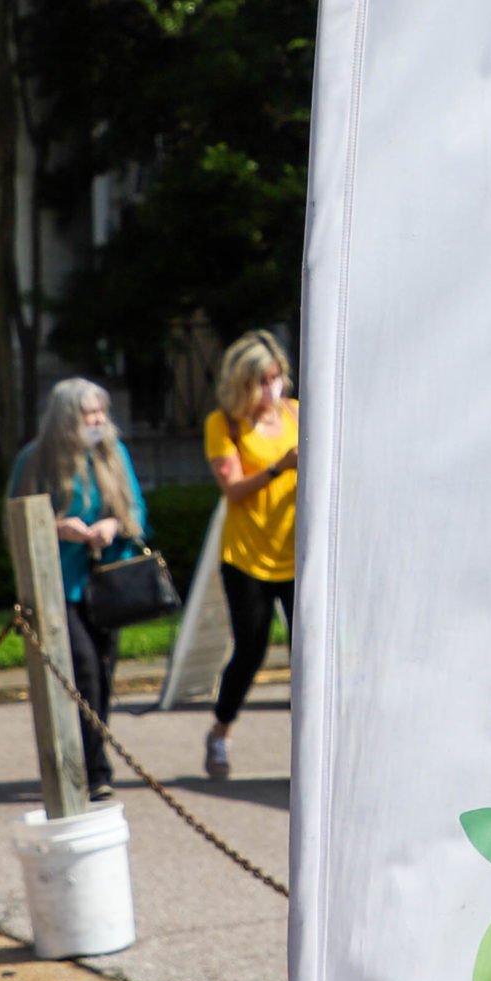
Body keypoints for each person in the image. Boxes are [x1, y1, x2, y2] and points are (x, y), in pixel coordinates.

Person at [7, 378, 149, 806]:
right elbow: (18, 520)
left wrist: (113, 525)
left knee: (102, 677)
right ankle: (96, 769)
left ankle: (89, 756)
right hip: (59, 588)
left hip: (107, 584)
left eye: (101, 412)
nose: (98, 421)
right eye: (90, 413)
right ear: (68, 418)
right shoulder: (35, 460)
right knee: (83, 670)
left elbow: (137, 510)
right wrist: (57, 527)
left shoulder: (113, 453)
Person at [202, 332, 297, 784]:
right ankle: (221, 730)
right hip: (248, 559)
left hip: (299, 555)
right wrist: (280, 468)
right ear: (242, 384)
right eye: (262, 381)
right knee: (251, 649)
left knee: (310, 653)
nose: (271, 389)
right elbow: (233, 488)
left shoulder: (297, 413)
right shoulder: (224, 424)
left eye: (276, 378)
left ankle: (312, 746)